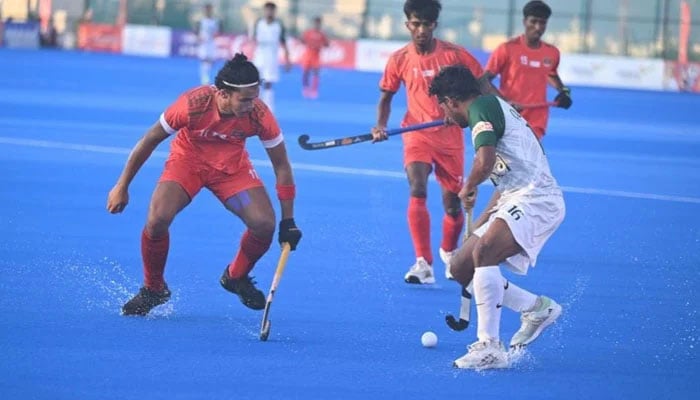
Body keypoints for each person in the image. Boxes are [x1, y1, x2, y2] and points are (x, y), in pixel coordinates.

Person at [106, 53, 302, 317]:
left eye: (255, 97)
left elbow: (282, 165)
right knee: (157, 219)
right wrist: (122, 185)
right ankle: (154, 289)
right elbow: (150, 140)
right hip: (187, 164)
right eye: (244, 99)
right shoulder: (191, 105)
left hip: (231, 171)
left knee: (264, 225)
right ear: (222, 94)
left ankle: (236, 276)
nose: (251, 105)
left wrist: (288, 221)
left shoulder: (259, 115)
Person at [428, 65, 564, 370]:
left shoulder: (481, 107)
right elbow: (504, 183)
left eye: (444, 109)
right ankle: (536, 308)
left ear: (451, 100)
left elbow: (484, 162)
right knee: (461, 266)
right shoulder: (486, 109)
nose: (446, 118)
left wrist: (469, 185)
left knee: (484, 251)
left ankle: (489, 347)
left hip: (539, 199)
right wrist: (481, 222)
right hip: (516, 197)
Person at [371, 0, 495, 284]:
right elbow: (386, 97)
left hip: (450, 138)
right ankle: (423, 263)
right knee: (417, 187)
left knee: (453, 205)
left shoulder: (454, 55)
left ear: (434, 26)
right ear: (407, 25)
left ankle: (449, 253)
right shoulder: (400, 58)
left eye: (427, 25)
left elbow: (482, 85)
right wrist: (380, 125)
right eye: (416, 24)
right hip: (416, 133)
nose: (421, 30)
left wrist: (504, 108)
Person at [482, 0, 572, 140]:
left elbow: (551, 74)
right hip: (508, 117)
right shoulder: (507, 49)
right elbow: (484, 81)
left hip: (537, 120)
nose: (537, 27)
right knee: (500, 161)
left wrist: (563, 91)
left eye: (542, 23)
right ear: (524, 21)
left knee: (528, 160)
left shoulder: (552, 52)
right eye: (533, 21)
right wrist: (505, 102)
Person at [250, 1, 291, 112]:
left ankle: (268, 108)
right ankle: (255, 106)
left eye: (271, 10)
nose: (269, 12)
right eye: (267, 10)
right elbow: (252, 40)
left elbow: (284, 43)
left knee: (268, 82)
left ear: (274, 12)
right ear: (264, 11)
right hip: (259, 55)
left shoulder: (279, 25)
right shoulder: (258, 23)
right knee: (255, 82)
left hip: (272, 57)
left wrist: (288, 60)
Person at [300, 16, 330, 99]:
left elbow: (327, 44)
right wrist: (308, 43)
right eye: (316, 23)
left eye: (318, 23)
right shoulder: (308, 32)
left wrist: (320, 45)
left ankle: (314, 90)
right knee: (306, 72)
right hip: (308, 54)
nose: (317, 25)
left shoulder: (322, 34)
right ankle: (305, 88)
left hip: (316, 56)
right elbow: (302, 40)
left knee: (316, 72)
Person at [196, 3, 222, 85]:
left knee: (210, 62)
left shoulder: (215, 21)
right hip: (203, 44)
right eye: (206, 10)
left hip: (211, 44)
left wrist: (216, 35)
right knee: (204, 61)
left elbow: (219, 31)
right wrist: (198, 37)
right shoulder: (201, 21)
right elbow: (196, 31)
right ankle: (204, 79)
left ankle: (207, 76)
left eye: (209, 10)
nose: (207, 11)